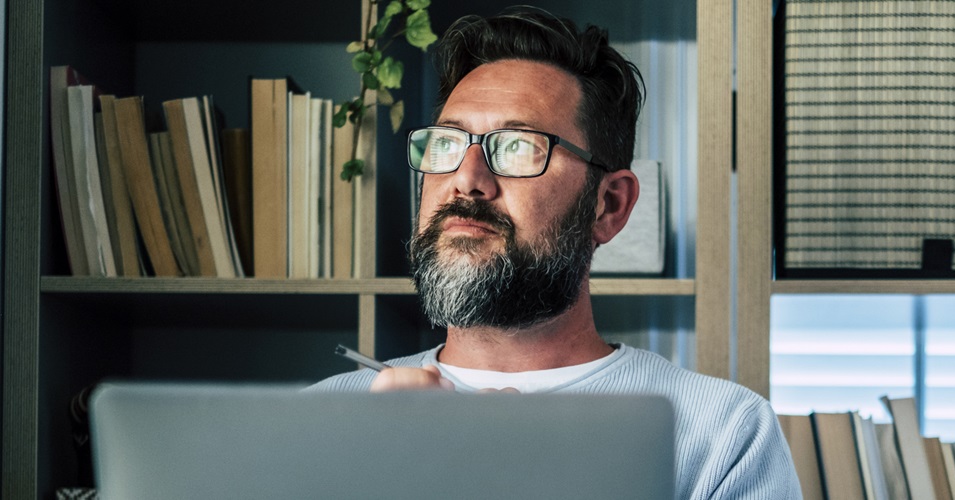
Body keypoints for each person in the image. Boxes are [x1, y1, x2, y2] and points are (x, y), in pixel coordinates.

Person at [309, 7, 802, 499]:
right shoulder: (325, 422)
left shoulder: (725, 435)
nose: (466, 179)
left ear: (609, 206)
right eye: (447, 143)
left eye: (518, 147)